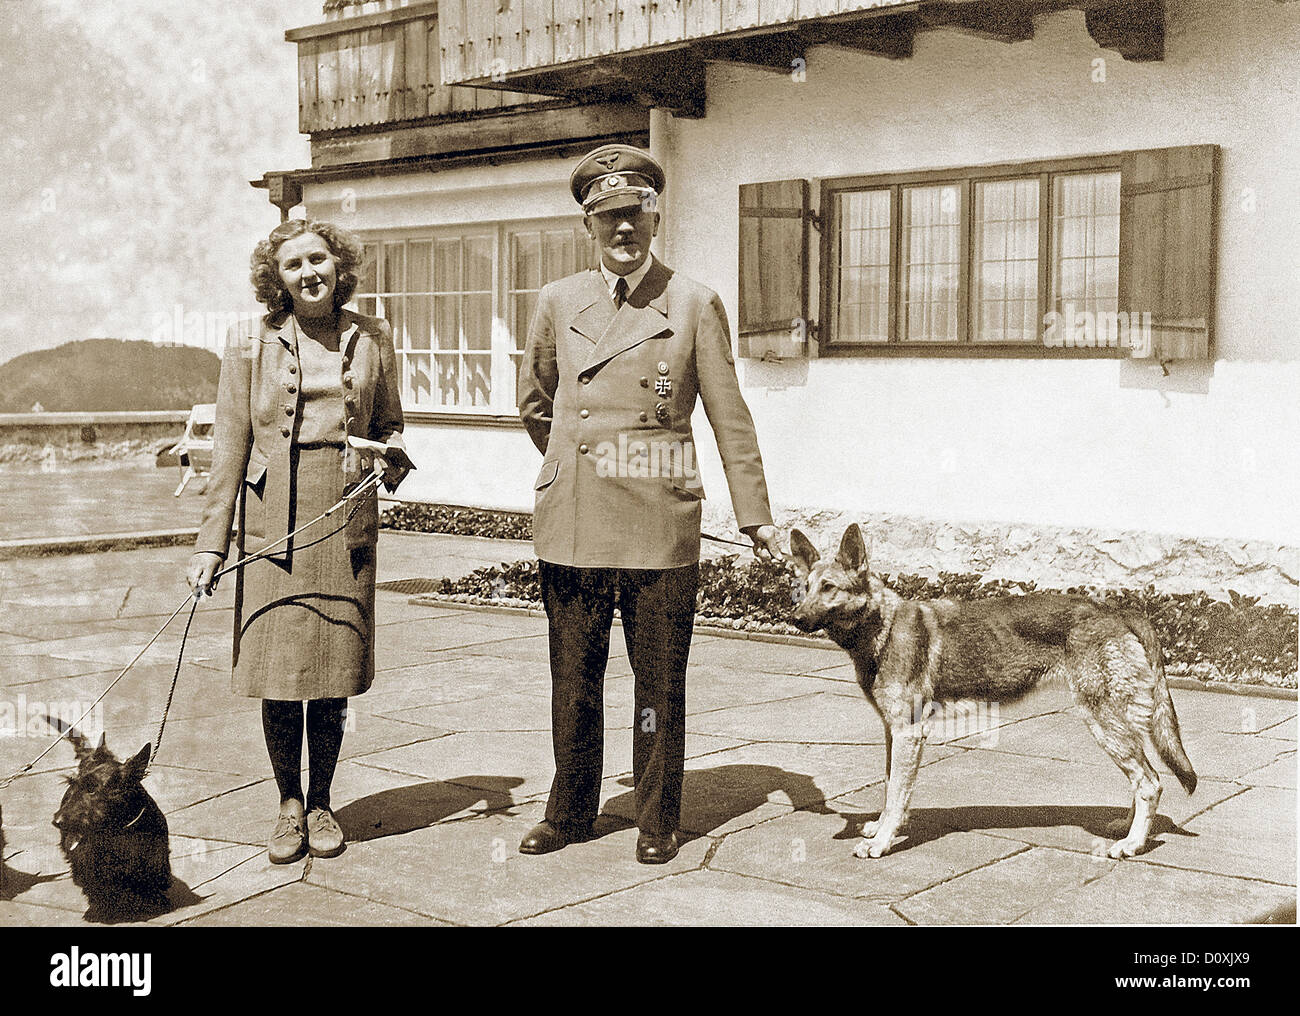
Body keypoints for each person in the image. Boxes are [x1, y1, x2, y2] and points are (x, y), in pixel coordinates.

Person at [516, 144, 782, 864]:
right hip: (573, 515)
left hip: (658, 520)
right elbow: (536, 403)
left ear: (654, 216)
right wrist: (579, 459)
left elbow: (730, 416)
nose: (622, 231)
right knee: (574, 678)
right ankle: (568, 811)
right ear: (588, 225)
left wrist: (755, 517)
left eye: (634, 215)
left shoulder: (693, 301)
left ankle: (657, 816)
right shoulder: (556, 301)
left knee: (658, 681)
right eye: (607, 218)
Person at [187, 219, 411, 864]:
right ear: (276, 278)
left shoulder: (374, 336)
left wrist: (391, 454)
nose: (310, 272)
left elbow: (391, 421)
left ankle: (321, 800)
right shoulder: (247, 342)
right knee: (280, 672)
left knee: (332, 668)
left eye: (319, 259)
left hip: (342, 519)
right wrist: (211, 545)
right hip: (270, 522)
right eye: (294, 265)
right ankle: (288, 804)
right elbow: (230, 446)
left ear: (339, 265)